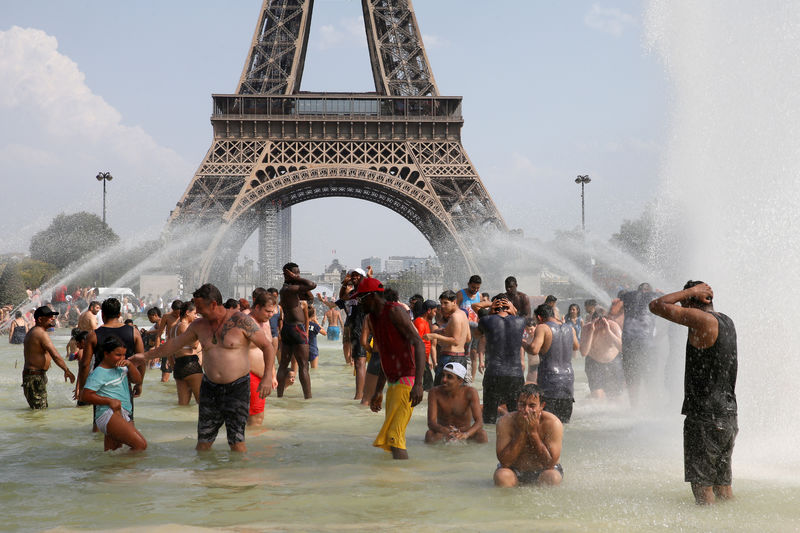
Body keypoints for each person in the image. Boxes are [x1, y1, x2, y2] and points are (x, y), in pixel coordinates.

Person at [131, 283, 275, 452]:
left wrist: (266, 377)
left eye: (200, 307)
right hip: (210, 388)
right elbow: (174, 344)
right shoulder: (199, 325)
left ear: (213, 304)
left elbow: (267, 347)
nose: (197, 312)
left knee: (236, 442)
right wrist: (144, 356)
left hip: (237, 388)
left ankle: (237, 476)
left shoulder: (241, 321)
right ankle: (204, 477)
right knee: (203, 443)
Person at [649, 281, 738, 505]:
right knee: (723, 486)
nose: (680, 306)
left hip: (705, 418)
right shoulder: (726, 320)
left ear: (695, 300)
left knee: (703, 490)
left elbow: (656, 305)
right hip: (727, 416)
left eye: (684, 301)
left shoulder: (703, 321)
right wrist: (692, 294)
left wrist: (690, 292)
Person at [359, 277, 426, 460]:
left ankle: (402, 483)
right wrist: (378, 391)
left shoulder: (395, 311)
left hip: (407, 380)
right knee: (393, 438)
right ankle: (395, 480)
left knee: (394, 437)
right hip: (393, 382)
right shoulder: (373, 319)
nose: (359, 303)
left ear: (372, 297)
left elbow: (419, 343)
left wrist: (418, 384)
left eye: (361, 299)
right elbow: (385, 355)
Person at [80, 335, 147, 451]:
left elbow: (137, 380)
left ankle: (112, 469)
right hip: (109, 414)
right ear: (106, 354)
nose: (122, 358)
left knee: (113, 453)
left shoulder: (122, 367)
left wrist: (130, 365)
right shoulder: (99, 373)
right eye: (118, 355)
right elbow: (84, 396)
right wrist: (109, 401)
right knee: (140, 445)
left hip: (122, 413)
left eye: (124, 355)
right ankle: (129, 468)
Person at [494, 383, 564, 487]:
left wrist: (533, 433)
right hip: (514, 470)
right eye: (522, 404)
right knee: (501, 476)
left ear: (541, 406)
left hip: (544, 470)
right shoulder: (505, 422)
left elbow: (550, 464)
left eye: (532, 406)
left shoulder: (553, 423)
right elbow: (505, 463)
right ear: (517, 404)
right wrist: (521, 432)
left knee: (552, 477)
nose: (526, 410)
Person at [525, 304, 577, 423]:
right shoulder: (570, 328)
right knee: (563, 425)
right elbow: (576, 346)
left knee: (546, 425)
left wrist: (523, 343)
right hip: (568, 383)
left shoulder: (543, 327)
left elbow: (534, 349)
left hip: (549, 382)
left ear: (539, 317)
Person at [479, 294, 527, 424]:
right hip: (515, 374)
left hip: (494, 373)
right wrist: (514, 309)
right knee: (517, 416)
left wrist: (490, 308)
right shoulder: (521, 321)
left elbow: (477, 309)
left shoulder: (486, 320)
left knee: (489, 417)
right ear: (510, 306)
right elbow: (519, 316)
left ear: (494, 306)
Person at [21, 307, 76, 409]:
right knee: (39, 411)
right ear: (40, 319)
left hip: (34, 376)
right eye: (49, 317)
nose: (53, 318)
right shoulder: (40, 333)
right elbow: (55, 355)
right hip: (35, 377)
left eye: (53, 316)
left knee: (39, 410)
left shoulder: (35, 331)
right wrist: (66, 370)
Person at [277, 263, 316, 399]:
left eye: (298, 273)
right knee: (304, 365)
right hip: (297, 328)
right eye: (295, 273)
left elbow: (310, 297)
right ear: (289, 274)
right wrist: (297, 278)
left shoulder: (286, 289)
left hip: (288, 328)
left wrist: (295, 279)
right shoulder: (290, 289)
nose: (298, 275)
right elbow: (312, 284)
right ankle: (308, 398)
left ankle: (280, 396)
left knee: (283, 364)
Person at [619, 283, 660, 406]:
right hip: (646, 341)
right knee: (649, 374)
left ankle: (634, 407)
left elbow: (617, 301)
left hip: (628, 340)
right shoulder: (655, 296)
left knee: (632, 375)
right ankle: (651, 406)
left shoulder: (627, 295)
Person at [425, 362, 487, 443]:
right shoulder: (434, 392)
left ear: (460, 381)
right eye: (443, 375)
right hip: (444, 433)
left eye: (449, 377)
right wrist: (444, 430)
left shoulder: (470, 392)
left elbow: (479, 422)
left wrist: (466, 434)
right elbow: (431, 422)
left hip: (464, 432)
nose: (444, 379)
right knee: (429, 434)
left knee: (482, 434)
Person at [247, 291, 279, 426]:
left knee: (257, 417)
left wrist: (272, 374)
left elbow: (269, 350)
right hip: (249, 375)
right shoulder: (246, 322)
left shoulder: (265, 323)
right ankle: (254, 445)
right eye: (267, 311)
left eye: (272, 312)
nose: (270, 315)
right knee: (255, 418)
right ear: (257, 307)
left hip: (263, 377)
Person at [426, 290, 471, 385]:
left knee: (439, 392)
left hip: (450, 358)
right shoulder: (463, 314)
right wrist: (444, 332)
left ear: (454, 302)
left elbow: (455, 341)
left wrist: (435, 336)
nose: (442, 306)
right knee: (456, 394)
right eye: (441, 303)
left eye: (446, 303)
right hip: (461, 358)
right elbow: (468, 338)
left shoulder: (454, 317)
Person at [580, 309, 624, 399]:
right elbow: (584, 353)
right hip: (593, 363)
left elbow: (622, 348)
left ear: (606, 320)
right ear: (593, 321)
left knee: (615, 396)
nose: (599, 326)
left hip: (613, 363)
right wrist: (591, 331)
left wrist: (608, 331)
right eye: (597, 323)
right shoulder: (587, 328)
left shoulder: (613, 326)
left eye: (601, 322)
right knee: (598, 396)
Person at [171, 301, 203, 405]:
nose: (196, 316)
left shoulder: (173, 328)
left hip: (178, 365)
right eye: (195, 313)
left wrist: (173, 366)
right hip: (190, 364)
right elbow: (194, 345)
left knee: (183, 405)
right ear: (187, 313)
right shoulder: (185, 326)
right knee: (202, 402)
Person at [413, 300, 438, 391]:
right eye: (434, 311)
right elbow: (417, 343)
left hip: (424, 359)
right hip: (420, 360)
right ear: (429, 310)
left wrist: (428, 360)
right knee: (429, 387)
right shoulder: (419, 323)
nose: (435, 314)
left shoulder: (426, 322)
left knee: (427, 386)